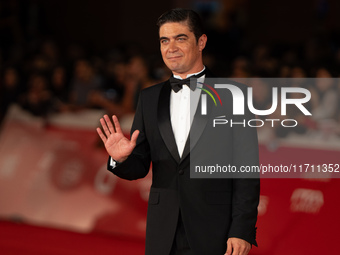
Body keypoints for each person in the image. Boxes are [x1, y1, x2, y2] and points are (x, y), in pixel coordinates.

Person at [97, 8, 260, 255]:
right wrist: (120, 159)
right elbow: (139, 168)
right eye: (164, 40)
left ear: (201, 41)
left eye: (180, 38)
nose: (170, 47)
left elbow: (247, 171)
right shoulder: (149, 99)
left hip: (215, 230)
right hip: (163, 230)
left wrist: (242, 229)